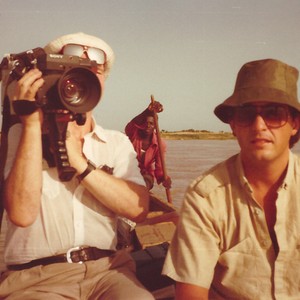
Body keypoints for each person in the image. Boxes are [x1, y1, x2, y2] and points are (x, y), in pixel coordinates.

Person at [0, 32, 155, 300]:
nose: (80, 82)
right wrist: (32, 124)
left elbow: (138, 209)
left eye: (95, 71)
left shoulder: (115, 142)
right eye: (71, 71)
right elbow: (22, 214)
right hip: (36, 281)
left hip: (108, 272)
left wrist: (79, 162)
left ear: (103, 82)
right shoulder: (19, 135)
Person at [162, 58, 300, 299]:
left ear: (295, 124)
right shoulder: (205, 197)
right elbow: (191, 293)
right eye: (247, 114)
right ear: (234, 125)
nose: (259, 126)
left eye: (273, 113)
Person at [125, 101, 171, 190]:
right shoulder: (133, 134)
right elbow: (130, 125)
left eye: (151, 123)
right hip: (126, 170)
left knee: (146, 181)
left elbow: (159, 168)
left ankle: (141, 193)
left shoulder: (160, 144)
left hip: (145, 174)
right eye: (145, 123)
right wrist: (148, 110)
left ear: (155, 126)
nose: (148, 126)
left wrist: (164, 178)